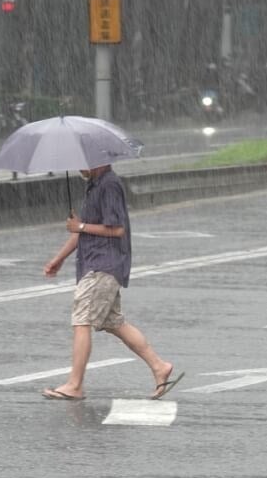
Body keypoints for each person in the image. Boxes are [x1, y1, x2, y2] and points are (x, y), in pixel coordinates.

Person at [41, 164, 183, 401]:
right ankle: (159, 367)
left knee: (82, 321)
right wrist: (58, 259)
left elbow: (117, 229)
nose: (78, 167)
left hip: (102, 265)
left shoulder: (109, 184)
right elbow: (82, 232)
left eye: (82, 161)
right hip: (95, 264)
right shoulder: (94, 184)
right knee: (114, 322)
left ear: (98, 160)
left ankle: (75, 385)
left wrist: (82, 226)